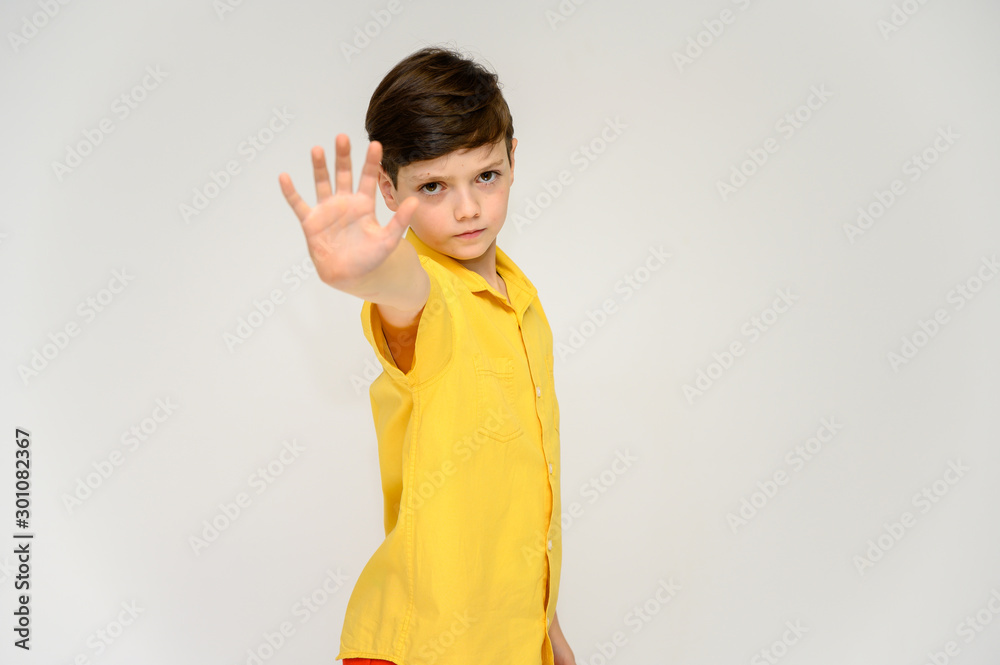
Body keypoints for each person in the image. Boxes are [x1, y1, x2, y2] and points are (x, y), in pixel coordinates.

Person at [278, 45, 574, 665]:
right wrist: (369, 271)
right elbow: (402, 290)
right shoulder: (424, 292)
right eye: (433, 186)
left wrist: (546, 629)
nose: (467, 208)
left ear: (513, 158)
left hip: (510, 642)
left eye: (485, 176)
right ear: (389, 190)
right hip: (419, 647)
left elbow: (514, 496)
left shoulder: (522, 300)